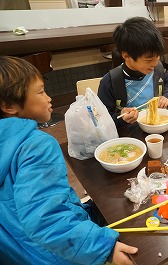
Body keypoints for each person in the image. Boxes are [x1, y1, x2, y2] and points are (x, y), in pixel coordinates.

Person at [0, 56, 138, 264]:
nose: (48, 98)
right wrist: (103, 247)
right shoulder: (36, 145)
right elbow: (45, 218)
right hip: (51, 253)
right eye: (40, 92)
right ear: (9, 105)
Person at [98, 17, 168, 128]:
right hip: (129, 134)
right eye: (148, 60)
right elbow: (102, 121)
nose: (155, 63)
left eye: (158, 57)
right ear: (126, 56)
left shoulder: (158, 70)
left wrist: (167, 95)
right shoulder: (110, 82)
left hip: (157, 128)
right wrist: (121, 118)